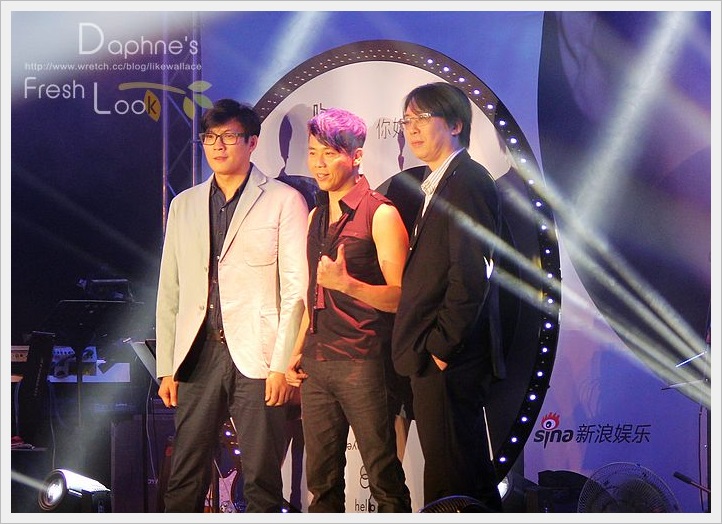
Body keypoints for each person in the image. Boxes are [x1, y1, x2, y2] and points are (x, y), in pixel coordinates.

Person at [155, 99, 309, 512]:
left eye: (229, 136)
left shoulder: (283, 199)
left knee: (261, 479)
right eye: (210, 137)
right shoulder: (185, 204)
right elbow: (170, 289)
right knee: (185, 475)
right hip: (198, 354)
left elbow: (296, 289)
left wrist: (282, 365)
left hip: (258, 356)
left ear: (252, 142)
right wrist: (167, 366)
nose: (218, 146)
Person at [285, 108, 412, 513]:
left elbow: (402, 298)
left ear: (356, 156)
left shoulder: (381, 213)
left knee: (384, 479)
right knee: (321, 485)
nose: (319, 164)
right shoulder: (316, 216)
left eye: (330, 153)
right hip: (317, 363)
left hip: (364, 361)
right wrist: (297, 350)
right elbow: (313, 292)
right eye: (313, 153)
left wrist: (349, 285)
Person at [391, 82, 504, 511]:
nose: (412, 129)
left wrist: (441, 348)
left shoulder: (467, 181)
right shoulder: (438, 182)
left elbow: (472, 273)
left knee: (455, 480)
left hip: (451, 359)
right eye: (407, 120)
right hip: (436, 357)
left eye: (423, 118)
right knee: (456, 475)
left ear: (456, 125)